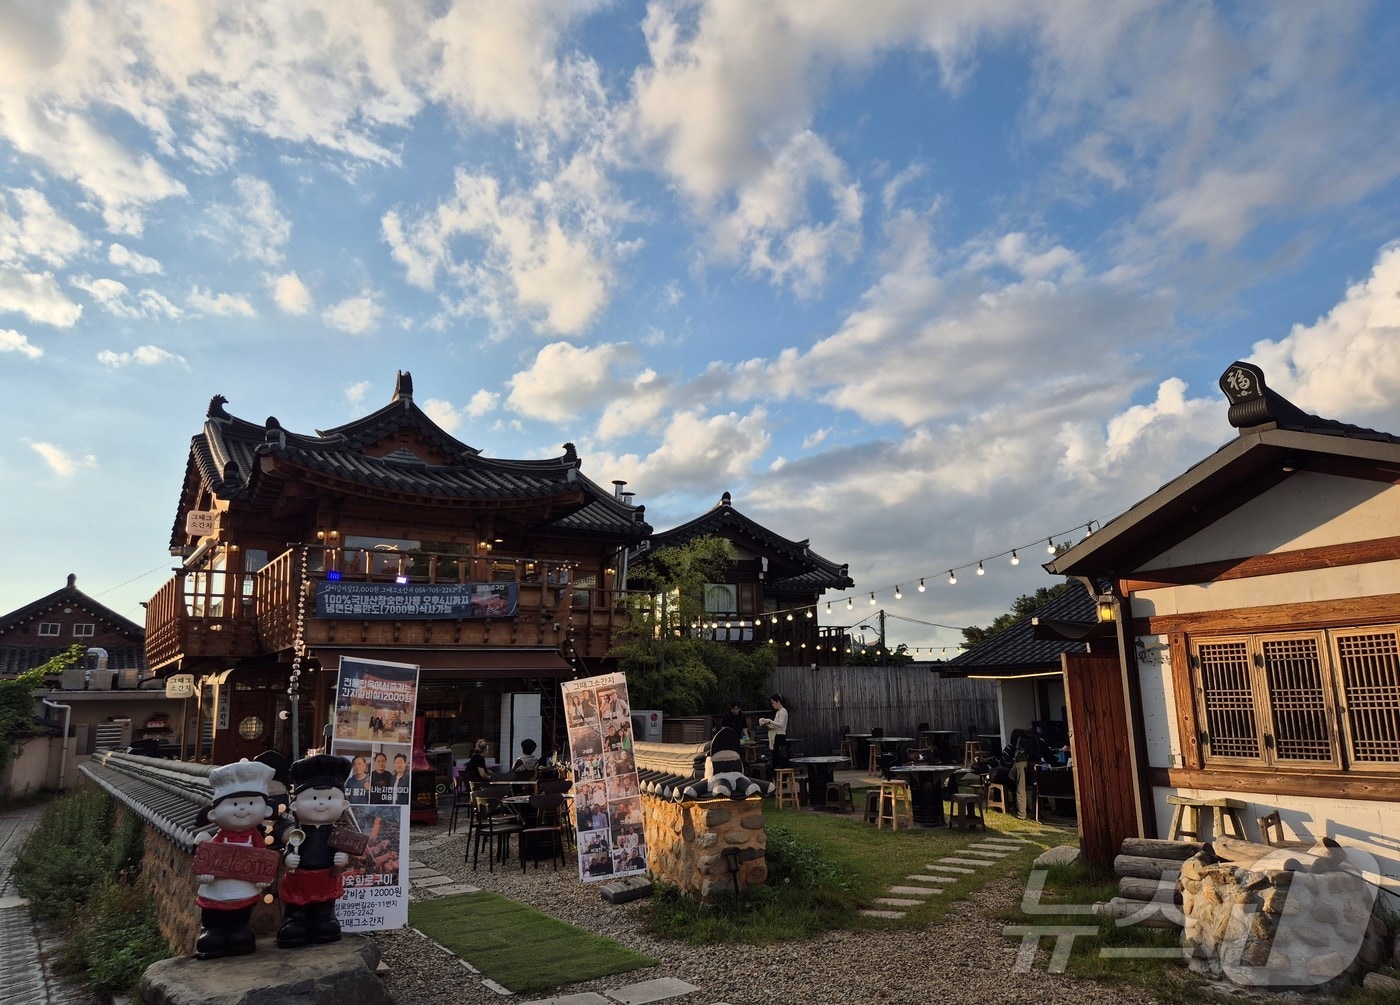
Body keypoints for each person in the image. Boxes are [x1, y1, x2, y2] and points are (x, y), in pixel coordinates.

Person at [192, 760, 277, 959]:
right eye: (235, 804)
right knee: (213, 916)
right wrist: (206, 870)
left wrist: (263, 875)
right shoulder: (217, 838)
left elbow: (263, 857)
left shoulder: (255, 838)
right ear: (213, 813)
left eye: (251, 803)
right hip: (217, 888)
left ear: (266, 810)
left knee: (241, 917)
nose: (242, 810)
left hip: (243, 888)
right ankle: (211, 931)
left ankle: (240, 931)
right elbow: (207, 857)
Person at [758, 693, 789, 767]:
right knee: (775, 757)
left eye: (773, 703)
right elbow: (775, 725)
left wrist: (770, 721)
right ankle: (775, 775)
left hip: (780, 736)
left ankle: (780, 774)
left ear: (778, 702)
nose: (772, 705)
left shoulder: (783, 711)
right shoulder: (778, 712)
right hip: (777, 736)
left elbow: (781, 724)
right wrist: (766, 723)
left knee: (779, 757)